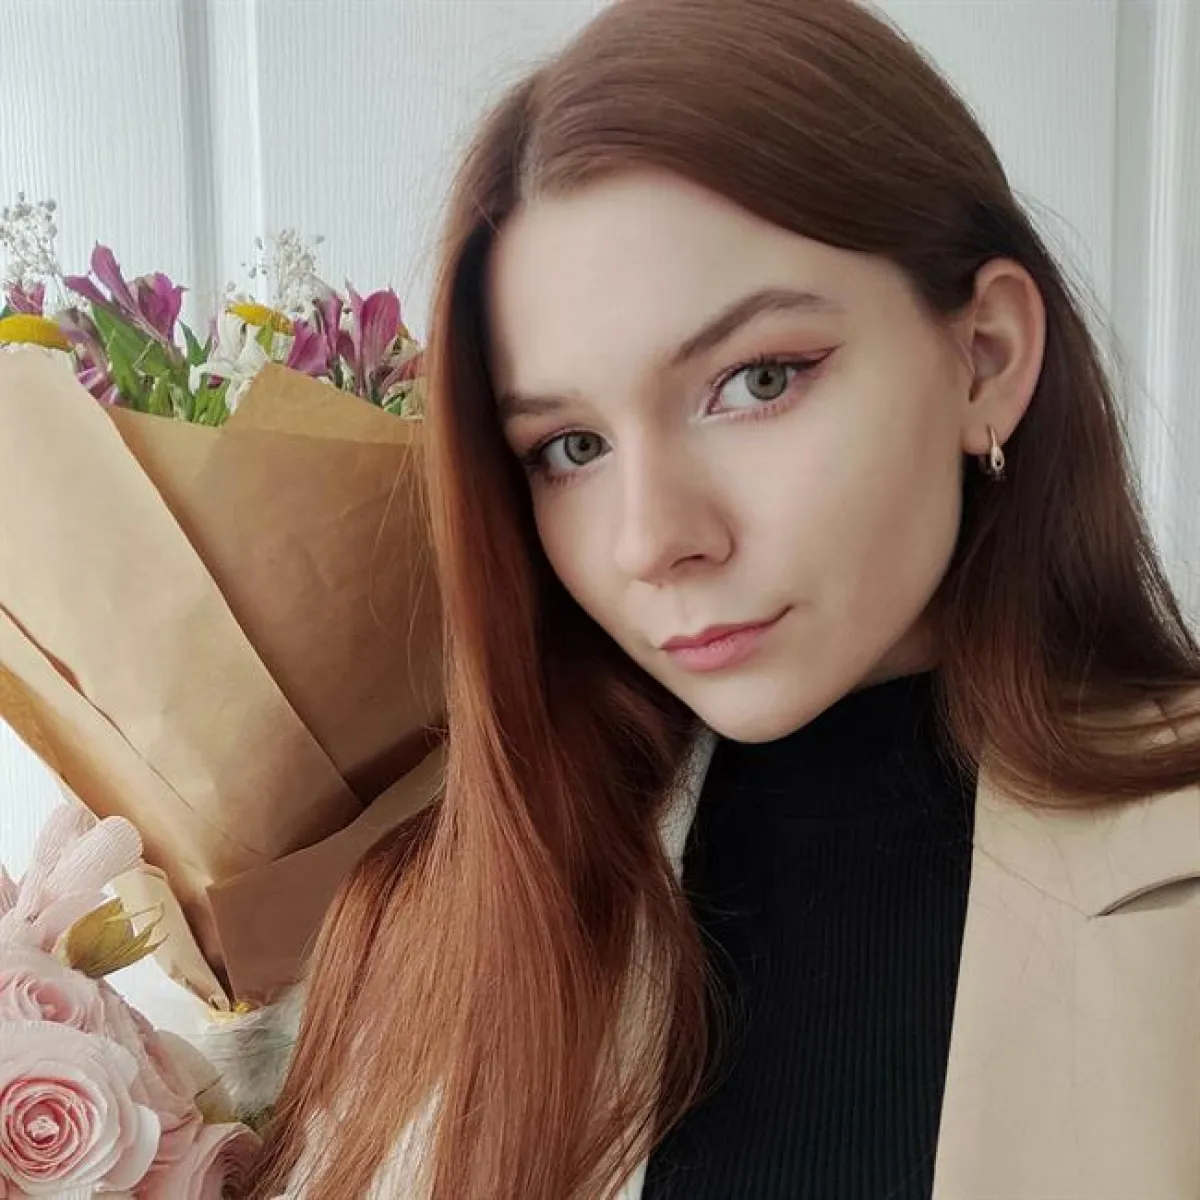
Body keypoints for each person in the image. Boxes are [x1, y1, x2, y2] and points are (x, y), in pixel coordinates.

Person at [250, 0, 1200, 1196]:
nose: (654, 540)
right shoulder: (439, 923)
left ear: (986, 357)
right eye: (571, 448)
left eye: (756, 382)